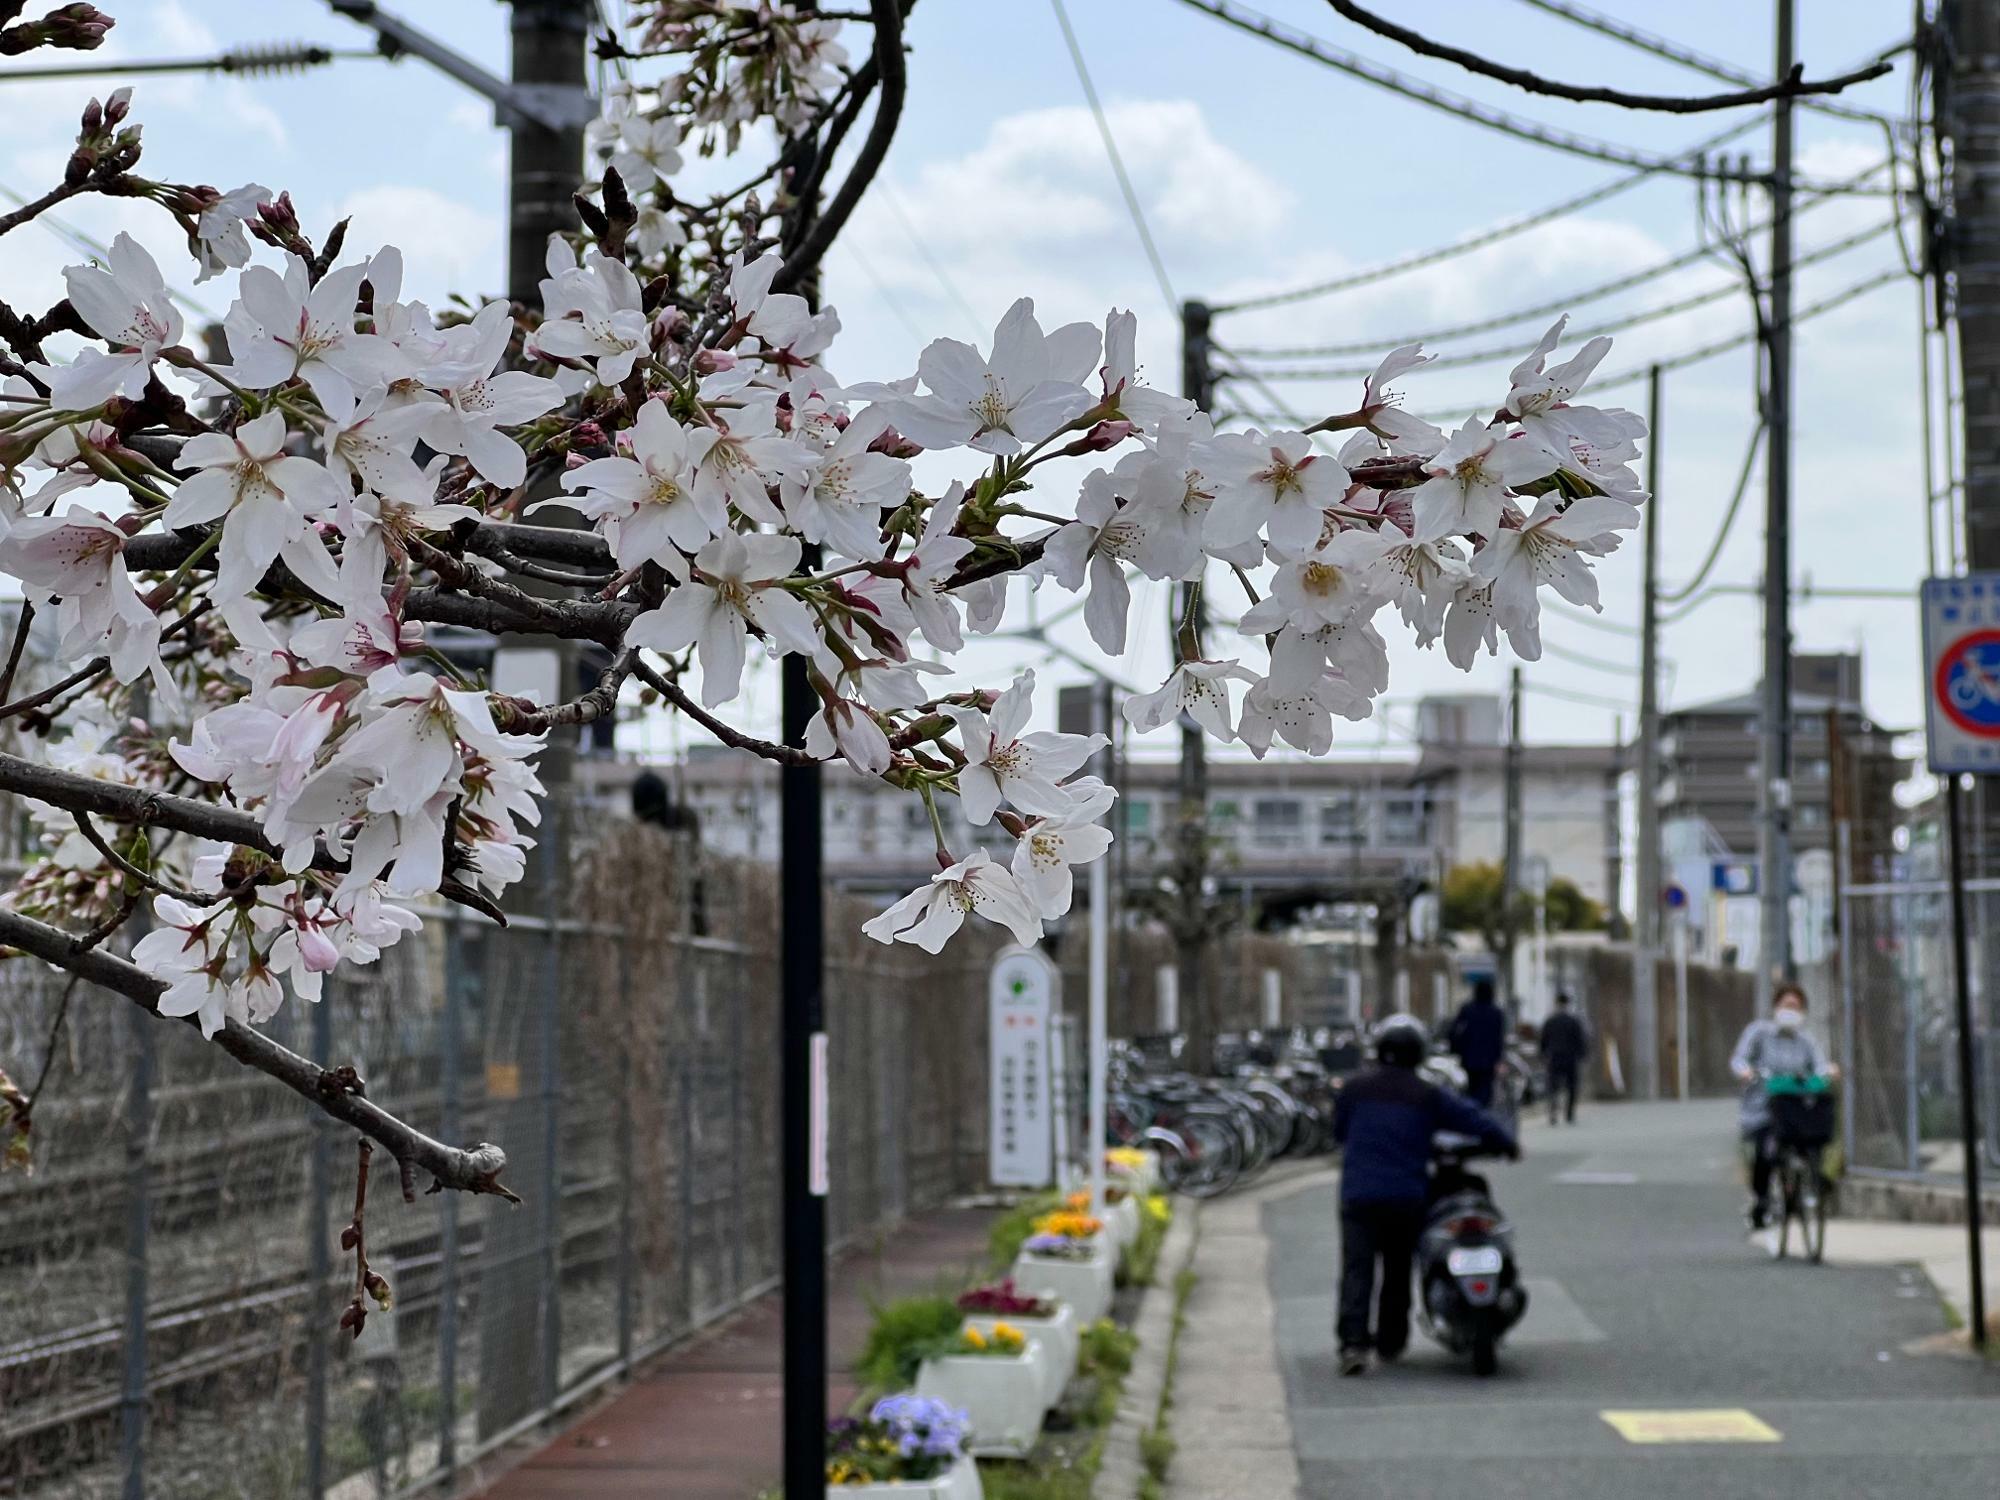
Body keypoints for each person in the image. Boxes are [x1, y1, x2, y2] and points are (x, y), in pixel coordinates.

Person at [1333, 1014, 1519, 1376]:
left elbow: (1339, 1132)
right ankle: (1391, 1341)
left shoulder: (1353, 1090)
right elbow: (1475, 1120)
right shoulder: (1425, 1094)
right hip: (1406, 1195)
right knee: (1398, 1270)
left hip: (1358, 1195)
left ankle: (1353, 1344)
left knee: (1357, 1270)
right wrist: (1506, 1143)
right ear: (1418, 1054)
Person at [1730, 982, 1834, 1229]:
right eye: (1787, 1005)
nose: (1791, 1010)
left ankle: (1811, 1186)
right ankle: (1761, 1198)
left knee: (1814, 1139)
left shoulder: (1806, 1041)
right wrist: (1745, 1072)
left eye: (1796, 1006)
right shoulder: (1758, 1033)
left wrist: (1828, 1071)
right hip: (1762, 1109)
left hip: (1794, 1109)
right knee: (1766, 1150)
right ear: (1776, 1007)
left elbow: (1820, 1064)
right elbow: (1739, 1058)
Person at [1447, 977, 1508, 1107]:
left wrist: (1456, 1048)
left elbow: (1454, 1031)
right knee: (1485, 1092)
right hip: (1488, 1060)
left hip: (1469, 1058)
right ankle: (1481, 1114)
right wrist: (1499, 1059)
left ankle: (1472, 1112)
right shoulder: (1496, 1013)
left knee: (1471, 1089)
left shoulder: (1467, 1010)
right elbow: (1499, 1039)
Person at [1538, 993, 1589, 1125]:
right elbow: (1580, 1040)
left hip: (1554, 1057)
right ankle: (1569, 1113)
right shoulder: (1573, 1021)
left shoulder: (1550, 1021)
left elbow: (1543, 1040)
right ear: (1567, 1004)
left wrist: (1542, 1054)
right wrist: (1582, 1055)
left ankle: (1553, 1112)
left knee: (1553, 1086)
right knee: (1571, 1086)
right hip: (1570, 1057)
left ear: (1556, 1003)